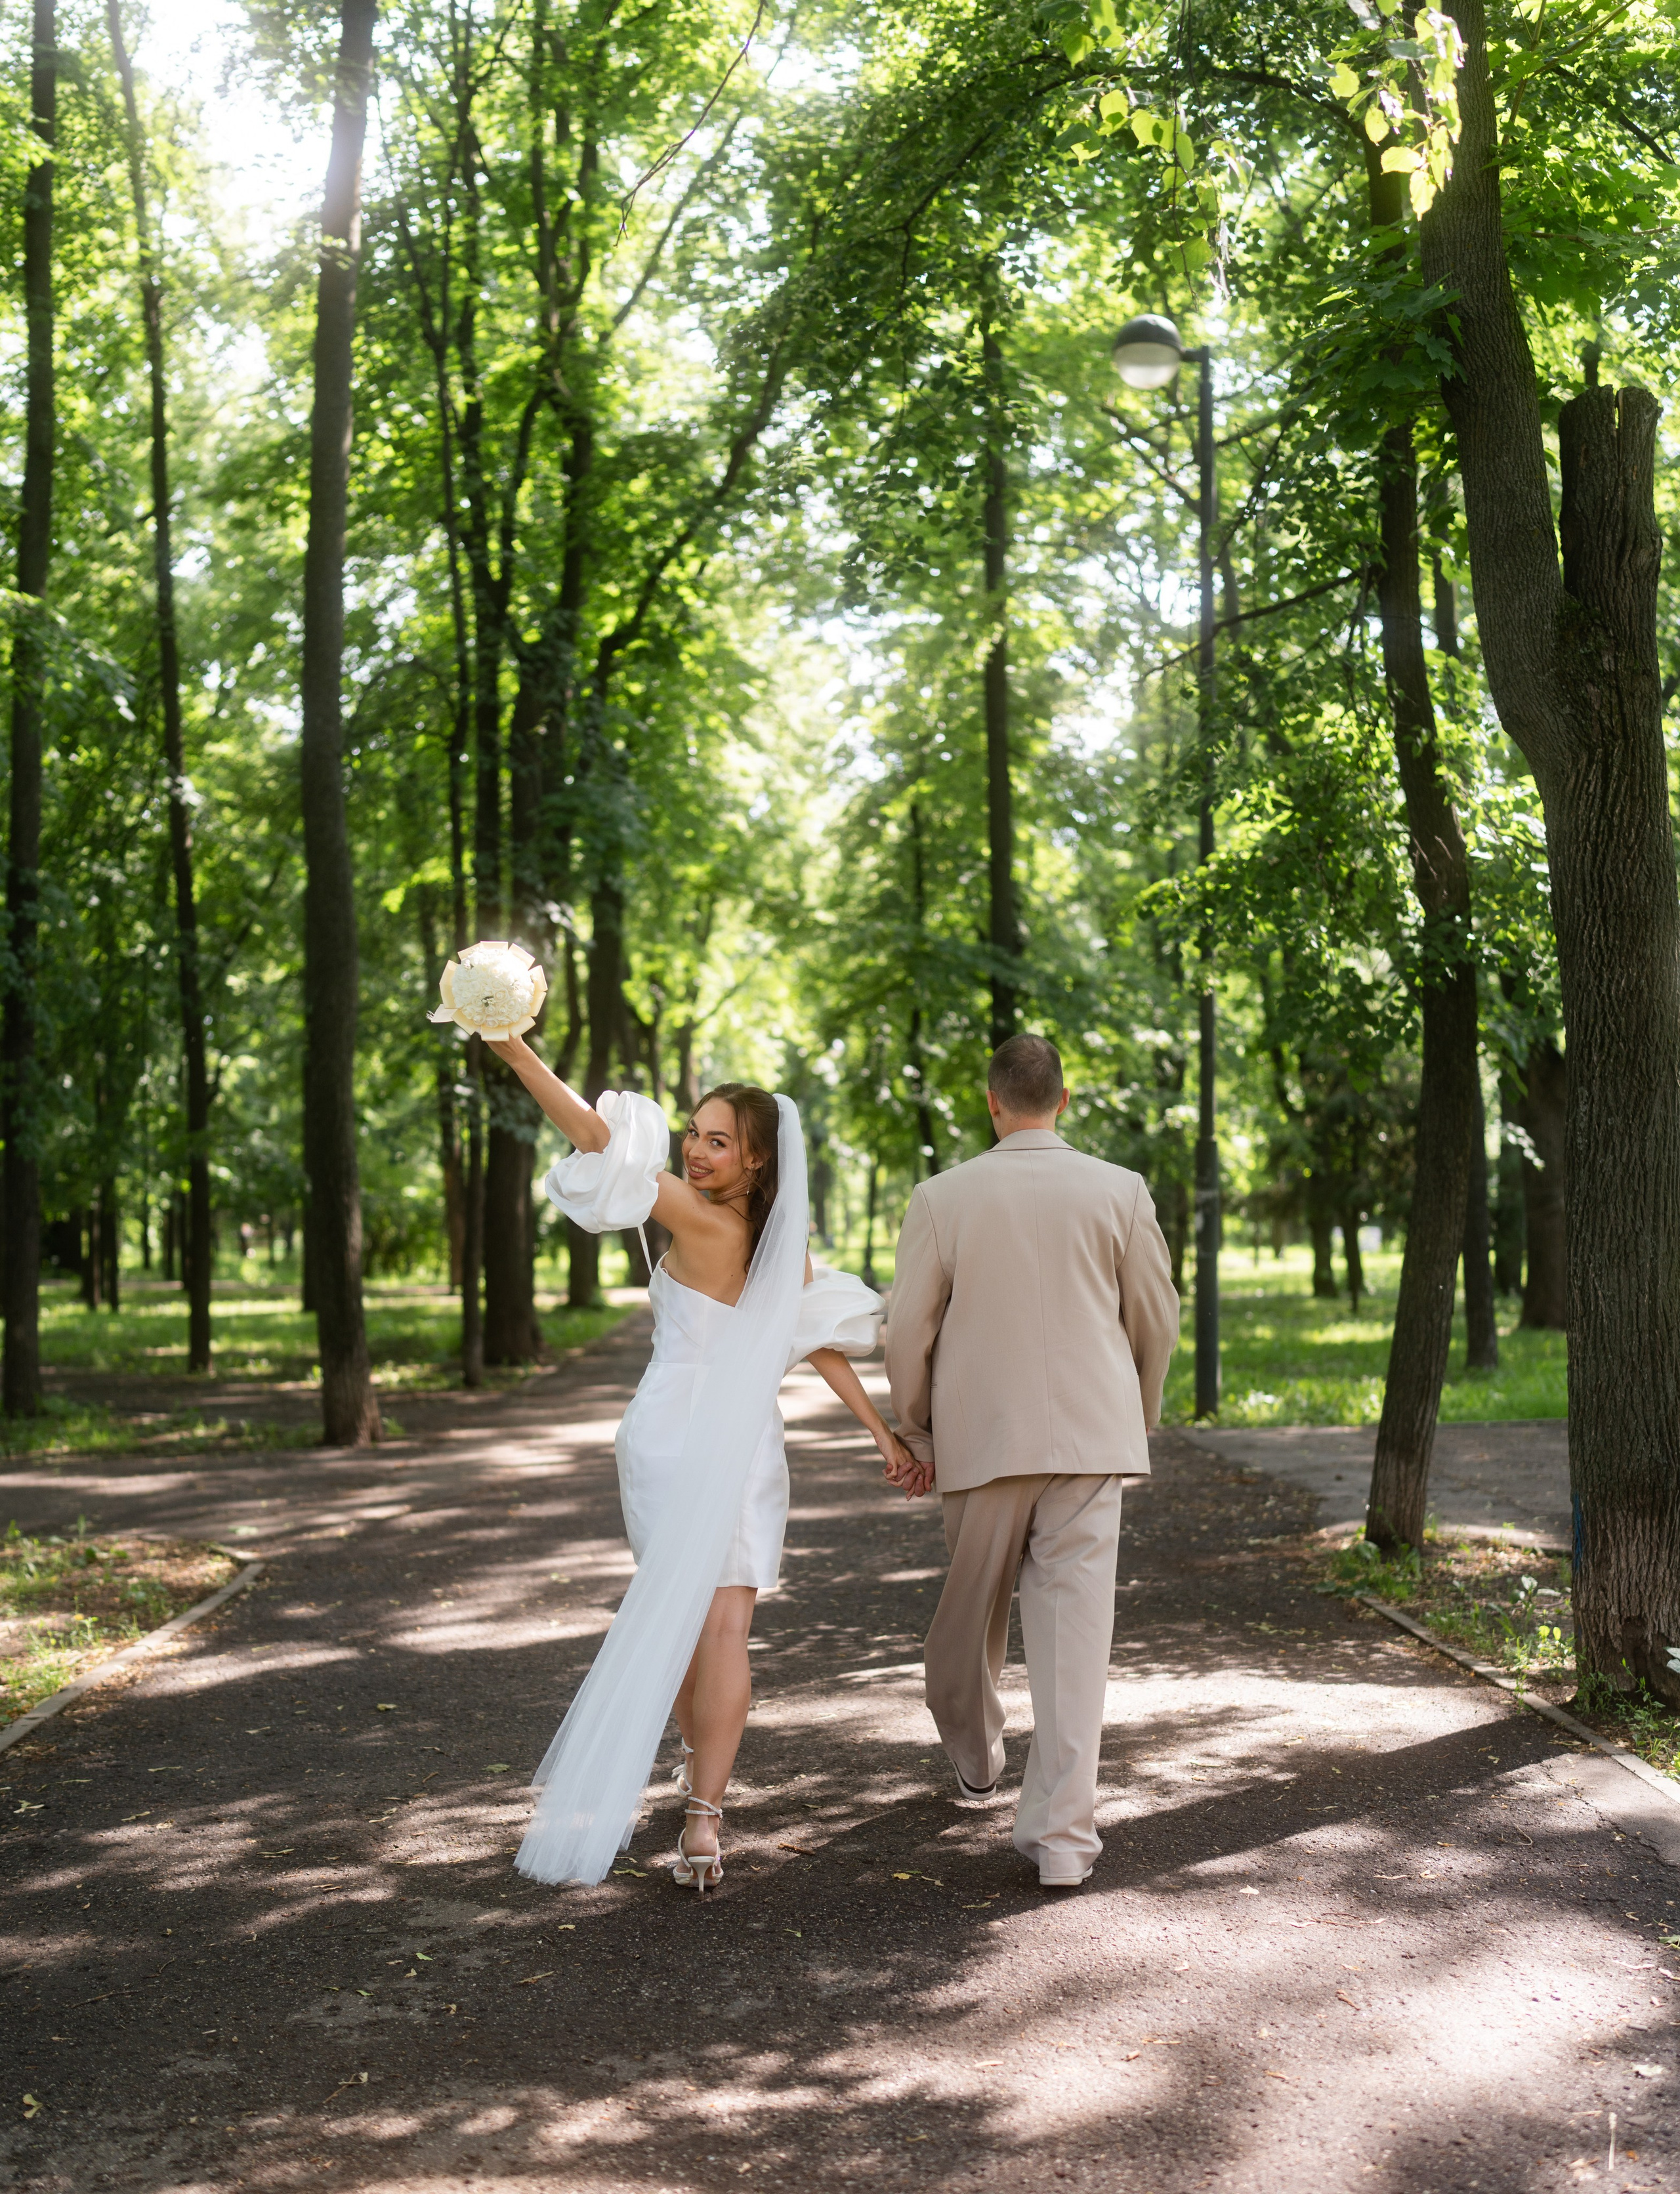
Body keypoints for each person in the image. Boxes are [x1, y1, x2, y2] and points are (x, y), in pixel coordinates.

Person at [486, 1031, 923, 1891]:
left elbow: (598, 1139)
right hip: (738, 1441)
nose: (693, 1148)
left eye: (717, 1140)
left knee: (684, 1621)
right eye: (694, 1132)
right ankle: (704, 1817)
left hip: (665, 1433)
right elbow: (818, 1339)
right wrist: (882, 1434)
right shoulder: (773, 1244)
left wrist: (517, 1054)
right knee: (723, 1628)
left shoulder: (698, 1218)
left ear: (757, 1160)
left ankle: (697, 1773)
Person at [885, 1033, 1179, 1889]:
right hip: (1091, 1438)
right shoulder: (1121, 1190)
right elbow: (1155, 1316)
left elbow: (908, 1330)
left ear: (992, 1102)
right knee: (1075, 1640)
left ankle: (978, 1756)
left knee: (970, 1617)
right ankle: (1064, 1841)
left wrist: (916, 1428)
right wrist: (1139, 1410)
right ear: (1064, 1099)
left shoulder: (942, 1197)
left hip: (981, 1441)